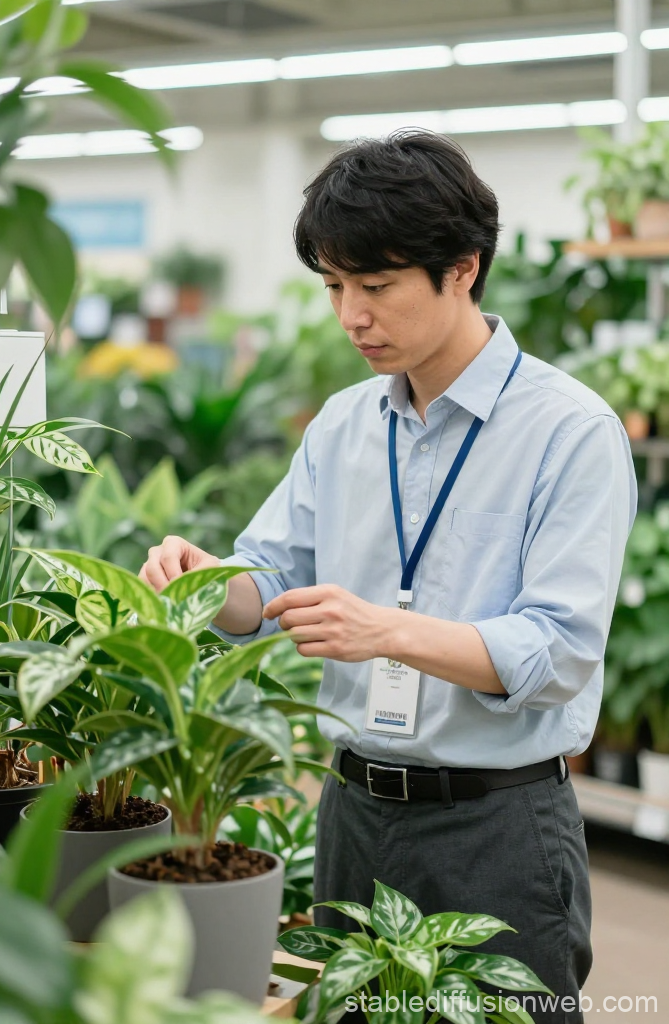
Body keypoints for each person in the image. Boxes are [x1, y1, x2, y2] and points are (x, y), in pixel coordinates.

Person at [140, 130, 637, 1024]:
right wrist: (204, 581)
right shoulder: (342, 426)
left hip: (498, 830)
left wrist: (387, 631)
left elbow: (559, 652)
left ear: (463, 270)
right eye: (333, 286)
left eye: (375, 287)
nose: (349, 317)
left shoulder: (570, 433)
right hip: (353, 818)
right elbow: (266, 579)